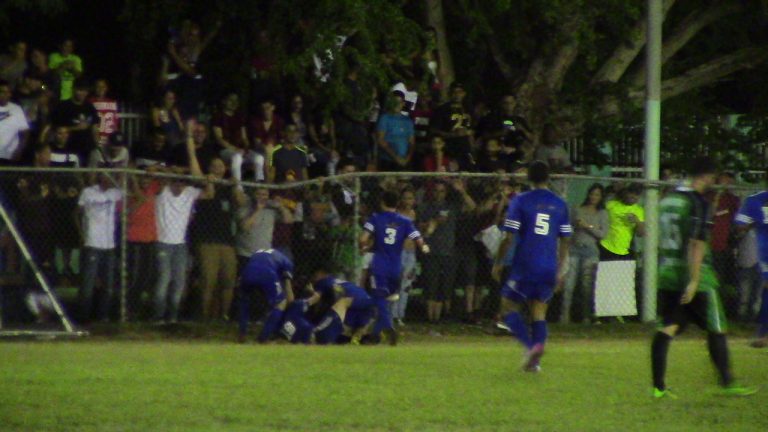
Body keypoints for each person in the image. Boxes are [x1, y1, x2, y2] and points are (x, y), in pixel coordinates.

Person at [653, 158, 757, 398]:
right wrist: (694, 279)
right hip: (695, 275)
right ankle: (727, 381)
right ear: (707, 176)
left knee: (669, 326)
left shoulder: (667, 199)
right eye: (713, 178)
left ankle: (657, 386)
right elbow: (696, 243)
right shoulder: (697, 202)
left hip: (667, 271)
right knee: (716, 327)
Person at [492, 161, 571, 372]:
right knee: (539, 312)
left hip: (525, 264)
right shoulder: (560, 203)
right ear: (548, 178)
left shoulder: (520, 201)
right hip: (549, 265)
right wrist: (561, 269)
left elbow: (509, 237)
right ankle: (534, 363)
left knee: (506, 307)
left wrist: (499, 262)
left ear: (529, 178)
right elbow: (565, 240)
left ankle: (531, 347)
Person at [360, 190, 429, 345]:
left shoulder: (376, 218)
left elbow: (363, 238)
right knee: (386, 300)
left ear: (382, 202)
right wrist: (424, 247)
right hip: (396, 266)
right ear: (397, 203)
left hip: (380, 265)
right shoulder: (404, 221)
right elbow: (418, 238)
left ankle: (388, 326)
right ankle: (374, 336)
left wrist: (363, 247)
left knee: (379, 299)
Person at [77, 173, 122, 322]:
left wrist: (123, 177)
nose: (109, 179)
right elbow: (77, 213)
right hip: (92, 243)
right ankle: (84, 316)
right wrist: (82, 234)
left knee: (108, 283)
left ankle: (104, 316)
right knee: (88, 283)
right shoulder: (88, 192)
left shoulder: (115, 193)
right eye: (107, 176)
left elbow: (134, 194)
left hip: (109, 245)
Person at [561, 184, 608, 323]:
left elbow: (603, 234)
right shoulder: (578, 209)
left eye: (597, 195)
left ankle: (586, 316)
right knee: (569, 286)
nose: (594, 197)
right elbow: (568, 230)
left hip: (590, 251)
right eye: (592, 194)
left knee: (587, 287)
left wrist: (588, 226)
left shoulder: (602, 213)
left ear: (601, 197)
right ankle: (564, 316)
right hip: (575, 249)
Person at [735, 171, 768, 347]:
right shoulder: (755, 200)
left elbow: (740, 226)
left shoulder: (754, 199)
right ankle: (763, 333)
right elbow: (740, 227)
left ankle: (763, 333)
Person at [237, 248, 295, 343]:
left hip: (247, 272)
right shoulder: (287, 261)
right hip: (267, 274)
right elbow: (289, 295)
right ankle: (263, 338)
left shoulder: (261, 251)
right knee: (281, 303)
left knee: (244, 300)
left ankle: (242, 334)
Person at [310, 268, 376, 345]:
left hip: (349, 302)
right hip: (366, 300)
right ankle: (360, 339)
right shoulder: (340, 282)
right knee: (354, 336)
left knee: (336, 334)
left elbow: (316, 298)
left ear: (322, 274)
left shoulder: (323, 281)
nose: (313, 279)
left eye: (315, 276)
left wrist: (308, 297)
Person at [600, 184, 645, 260]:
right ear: (626, 193)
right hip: (605, 245)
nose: (633, 196)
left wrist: (637, 222)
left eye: (637, 194)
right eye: (631, 193)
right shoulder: (611, 205)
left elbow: (640, 234)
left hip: (625, 249)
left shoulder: (639, 210)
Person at [375, 91, 415, 171]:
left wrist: (407, 158)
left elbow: (411, 142)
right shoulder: (384, 118)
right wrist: (396, 157)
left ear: (403, 103)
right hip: (388, 161)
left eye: (399, 102)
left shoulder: (408, 121)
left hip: (404, 161)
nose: (397, 104)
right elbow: (380, 140)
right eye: (395, 102)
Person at [0, 79, 30, 166]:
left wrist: (19, 150)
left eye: (8, 92)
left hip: (9, 156)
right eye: (2, 92)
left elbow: (25, 132)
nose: (5, 95)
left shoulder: (16, 109)